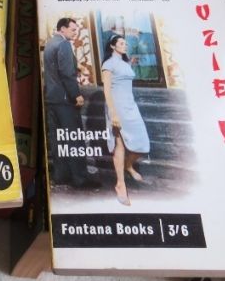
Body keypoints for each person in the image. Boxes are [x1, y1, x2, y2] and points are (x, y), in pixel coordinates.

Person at [43, 17, 96, 190]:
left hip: (52, 99)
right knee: (74, 139)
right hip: (66, 100)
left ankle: (61, 176)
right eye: (73, 29)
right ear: (62, 29)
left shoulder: (50, 43)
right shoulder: (64, 44)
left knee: (58, 140)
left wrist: (78, 66)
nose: (75, 32)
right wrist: (76, 95)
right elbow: (66, 73)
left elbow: (56, 67)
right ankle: (80, 179)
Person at [102, 34, 150, 206]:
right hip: (117, 108)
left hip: (131, 106)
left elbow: (124, 78)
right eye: (121, 43)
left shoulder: (125, 62)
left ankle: (128, 166)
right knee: (120, 145)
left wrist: (131, 62)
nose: (125, 45)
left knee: (142, 144)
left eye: (125, 43)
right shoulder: (108, 64)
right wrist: (113, 113)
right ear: (112, 46)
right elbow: (107, 91)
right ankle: (120, 185)